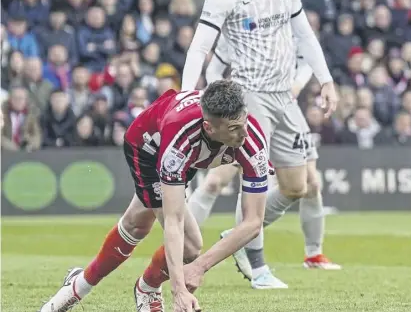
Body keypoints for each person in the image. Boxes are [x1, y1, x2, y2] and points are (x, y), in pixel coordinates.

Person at [180, 0, 340, 289]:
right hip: (249, 97)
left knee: (297, 186)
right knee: (250, 179)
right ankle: (259, 268)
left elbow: (304, 35)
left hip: (286, 96)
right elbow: (200, 47)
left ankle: (237, 237)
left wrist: (326, 79)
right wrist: (188, 92)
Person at [39, 80, 271, 312]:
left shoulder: (252, 140)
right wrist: (179, 289)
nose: (244, 133)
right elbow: (174, 220)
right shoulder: (179, 140)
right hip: (147, 146)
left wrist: (200, 267)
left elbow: (253, 223)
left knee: (138, 226)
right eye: (233, 129)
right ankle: (106, 288)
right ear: (210, 127)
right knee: (186, 244)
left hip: (193, 154)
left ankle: (90, 284)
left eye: (244, 122)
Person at [186, 36, 338, 290]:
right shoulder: (237, 25)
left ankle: (308, 252)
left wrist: (300, 83)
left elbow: (309, 54)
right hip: (244, 107)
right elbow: (213, 68)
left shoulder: (286, 17)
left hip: (286, 105)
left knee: (306, 185)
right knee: (225, 179)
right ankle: (249, 259)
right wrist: (224, 103)